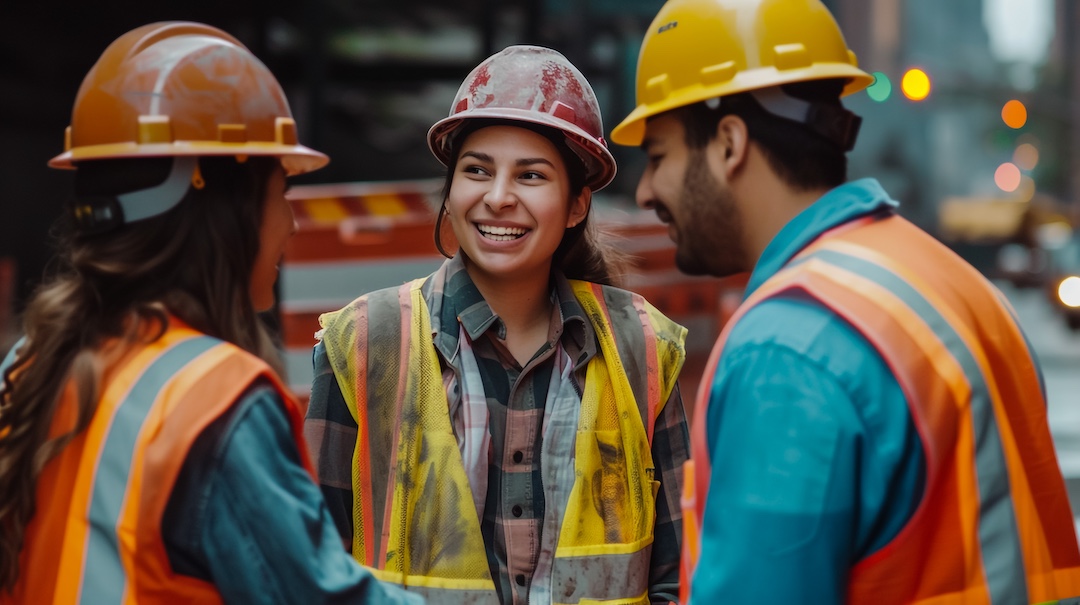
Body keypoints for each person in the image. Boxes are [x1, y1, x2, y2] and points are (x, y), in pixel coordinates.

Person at [609, 0, 1080, 603]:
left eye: (658, 157)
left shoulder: (786, 347)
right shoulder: (960, 290)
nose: (646, 190)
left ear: (729, 143)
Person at [0, 21, 421, 605]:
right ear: (227, 207)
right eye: (282, 194)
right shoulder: (215, 402)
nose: (292, 225)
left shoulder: (30, 361)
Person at [304, 45, 690, 604]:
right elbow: (316, 569)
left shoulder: (643, 348)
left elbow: (674, 578)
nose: (498, 197)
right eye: (477, 170)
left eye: (531, 175)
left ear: (577, 203)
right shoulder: (368, 341)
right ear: (451, 189)